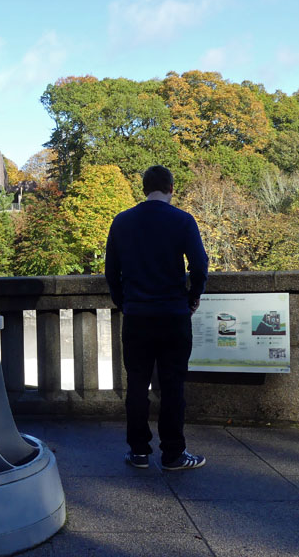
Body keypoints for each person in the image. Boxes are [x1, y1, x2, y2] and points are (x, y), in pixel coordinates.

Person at [104, 165, 208, 470]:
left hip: (137, 316)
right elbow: (199, 266)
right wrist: (193, 296)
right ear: (171, 188)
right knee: (173, 386)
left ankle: (138, 451)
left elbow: (112, 272)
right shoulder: (183, 221)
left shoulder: (122, 222)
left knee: (136, 385)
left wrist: (124, 302)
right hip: (173, 315)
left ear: (144, 188)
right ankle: (173, 453)